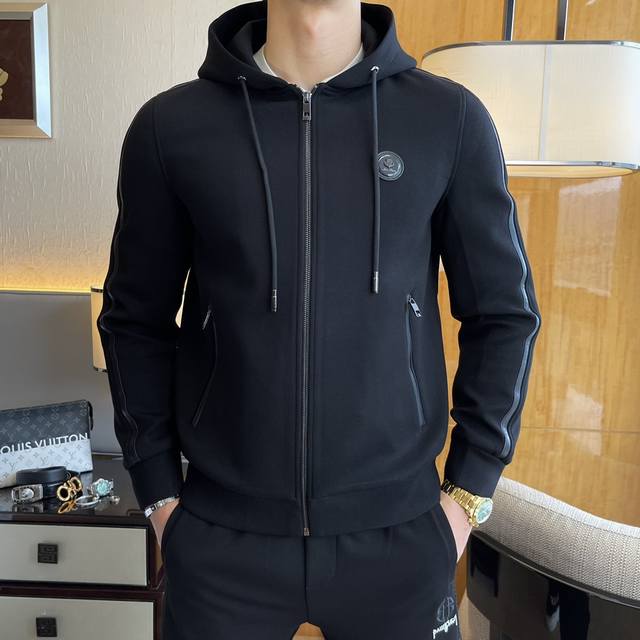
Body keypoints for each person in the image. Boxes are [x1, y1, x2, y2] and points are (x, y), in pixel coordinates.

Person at [97, 0, 542, 638]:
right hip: (221, 540)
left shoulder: (449, 119)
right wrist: (159, 495)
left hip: (400, 537)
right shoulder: (170, 127)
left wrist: (469, 494)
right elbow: (134, 320)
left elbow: (503, 313)